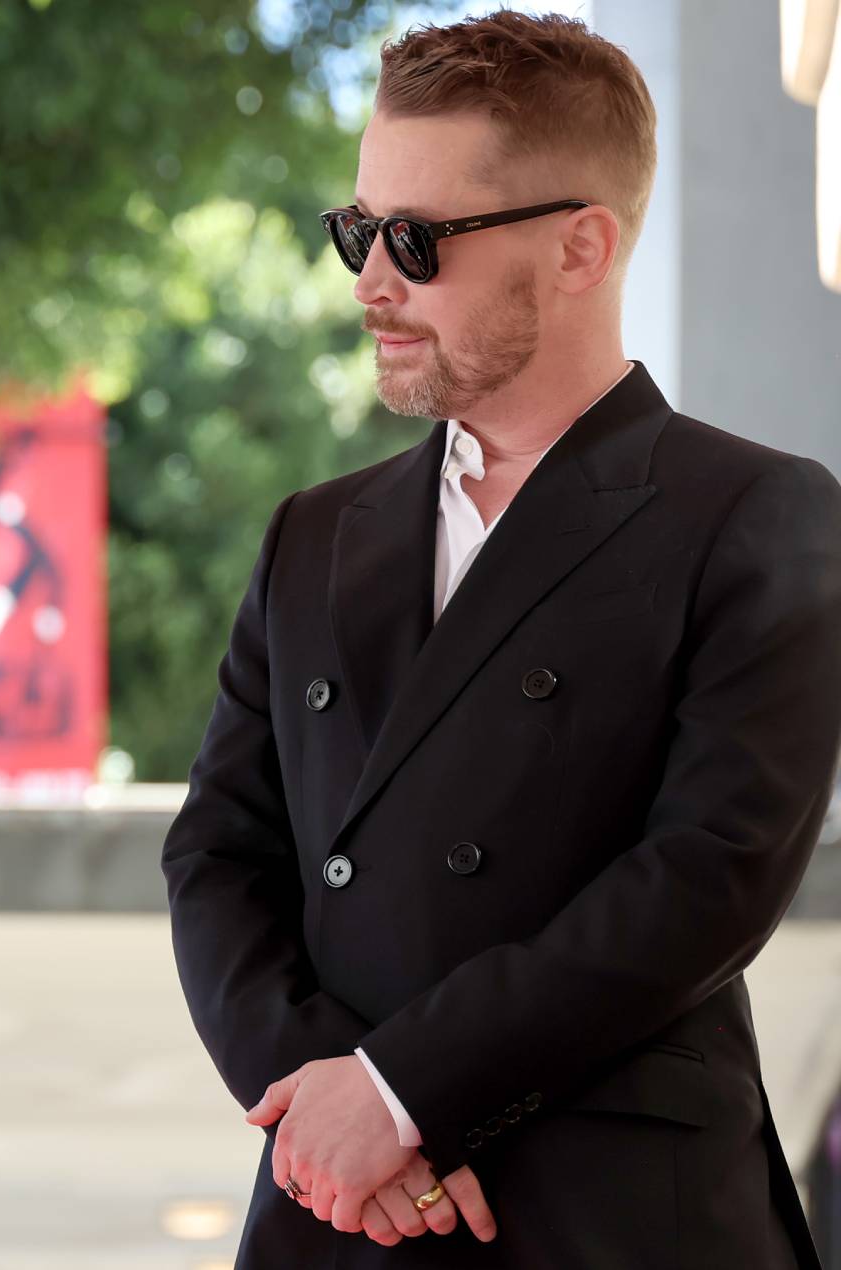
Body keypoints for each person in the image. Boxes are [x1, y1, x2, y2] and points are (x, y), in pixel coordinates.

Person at [161, 12, 841, 1266]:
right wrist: (325, 1106)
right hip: (335, 1220)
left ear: (581, 244)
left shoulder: (754, 511)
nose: (370, 281)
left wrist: (401, 1091)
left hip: (615, 1212)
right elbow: (215, 852)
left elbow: (706, 874)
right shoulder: (311, 535)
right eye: (356, 231)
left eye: (414, 241)